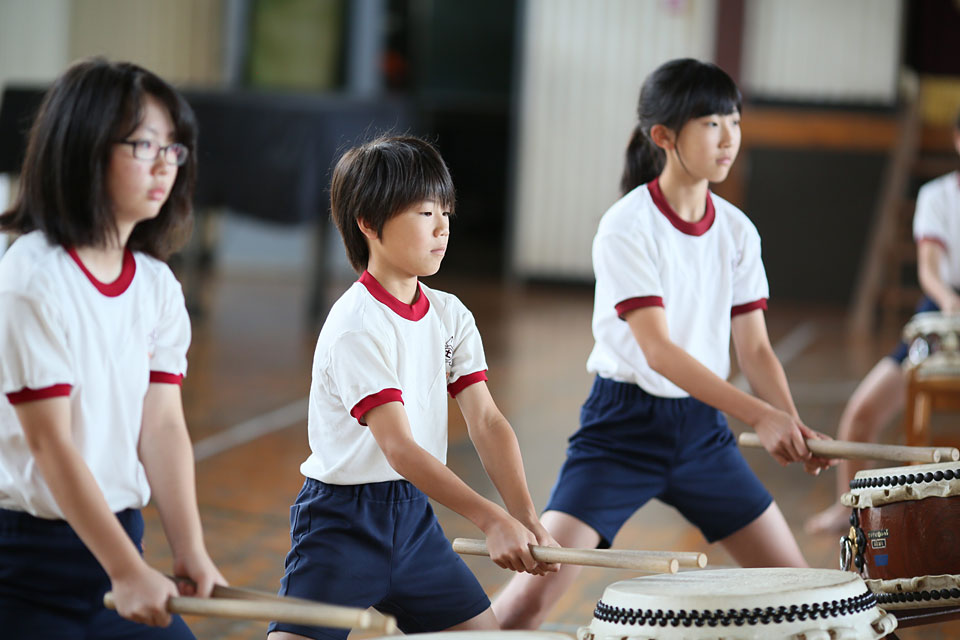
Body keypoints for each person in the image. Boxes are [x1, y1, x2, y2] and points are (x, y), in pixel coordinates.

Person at [492, 58, 833, 630]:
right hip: (621, 433)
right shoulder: (626, 226)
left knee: (802, 596)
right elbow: (659, 352)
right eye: (711, 124)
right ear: (664, 136)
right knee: (527, 601)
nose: (728, 138)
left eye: (734, 121)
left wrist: (790, 423)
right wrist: (760, 414)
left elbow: (754, 349)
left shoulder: (737, 231)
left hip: (703, 437)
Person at [267, 135, 558, 640]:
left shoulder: (451, 315)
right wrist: (491, 520)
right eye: (425, 213)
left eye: (446, 212)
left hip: (414, 522)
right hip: (341, 524)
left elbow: (487, 421)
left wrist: (525, 516)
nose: (442, 227)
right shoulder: (356, 324)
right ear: (368, 222)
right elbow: (399, 448)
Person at [0, 58, 225, 638]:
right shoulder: (32, 275)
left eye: (173, 148)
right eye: (144, 145)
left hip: (121, 540)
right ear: (84, 147)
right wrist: (126, 571)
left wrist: (189, 549)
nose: (164, 164)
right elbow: (49, 442)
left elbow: (163, 427)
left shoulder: (157, 285)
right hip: (28, 563)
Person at [805, 107, 960, 535]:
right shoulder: (937, 195)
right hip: (941, 312)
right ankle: (848, 508)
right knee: (862, 412)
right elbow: (930, 268)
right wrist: (949, 302)